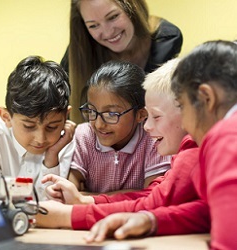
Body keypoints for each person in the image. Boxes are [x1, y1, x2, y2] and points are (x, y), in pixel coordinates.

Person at [84, 40, 237, 250]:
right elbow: (210, 210)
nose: (185, 122)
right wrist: (152, 220)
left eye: (183, 106)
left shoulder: (226, 136)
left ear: (207, 98)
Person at [36, 59, 210, 236]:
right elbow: (155, 197)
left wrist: (68, 216)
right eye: (92, 111)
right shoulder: (186, 149)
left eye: (156, 116)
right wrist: (86, 201)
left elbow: (154, 202)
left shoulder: (193, 149)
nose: (147, 126)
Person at [61, 0, 183, 124]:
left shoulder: (166, 39)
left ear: (133, 8)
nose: (108, 32)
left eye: (113, 17)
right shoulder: (79, 52)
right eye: (93, 25)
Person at [67, 60, 170, 193]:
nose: (98, 124)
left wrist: (88, 197)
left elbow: (151, 196)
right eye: (92, 111)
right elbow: (70, 195)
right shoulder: (84, 136)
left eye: (111, 114)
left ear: (141, 114)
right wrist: (132, 193)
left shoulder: (154, 140)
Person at [0, 56, 76, 200]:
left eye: (52, 127)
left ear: (66, 116)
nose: (41, 138)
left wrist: (52, 157)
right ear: (6, 117)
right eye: (29, 126)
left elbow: (54, 203)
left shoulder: (67, 142)